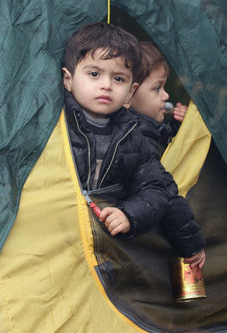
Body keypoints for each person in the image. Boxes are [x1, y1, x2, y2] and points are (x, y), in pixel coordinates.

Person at [61, 22, 204, 269]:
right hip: (55, 238)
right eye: (94, 74)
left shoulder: (135, 139)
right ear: (68, 79)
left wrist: (129, 214)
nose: (106, 85)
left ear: (130, 92)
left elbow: (157, 190)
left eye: (118, 78)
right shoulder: (55, 125)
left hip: (99, 255)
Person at [126, 41, 206, 268]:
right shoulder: (135, 138)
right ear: (129, 94)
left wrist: (179, 129)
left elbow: (160, 146)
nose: (166, 95)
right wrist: (193, 245)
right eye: (157, 88)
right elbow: (163, 192)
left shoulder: (140, 128)